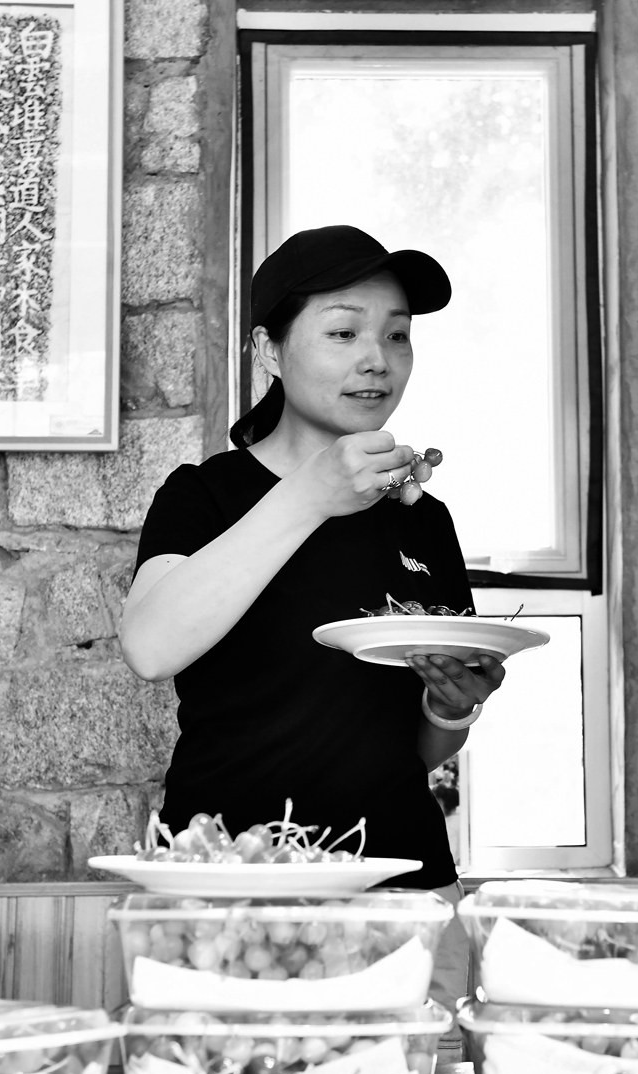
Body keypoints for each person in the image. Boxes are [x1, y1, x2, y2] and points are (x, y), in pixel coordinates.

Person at [120, 225, 505, 934]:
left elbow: (418, 749)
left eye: (396, 335)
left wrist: (451, 708)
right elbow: (149, 646)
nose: (376, 359)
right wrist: (309, 495)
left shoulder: (424, 519)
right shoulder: (205, 496)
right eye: (343, 332)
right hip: (227, 889)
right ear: (268, 349)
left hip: (403, 889)